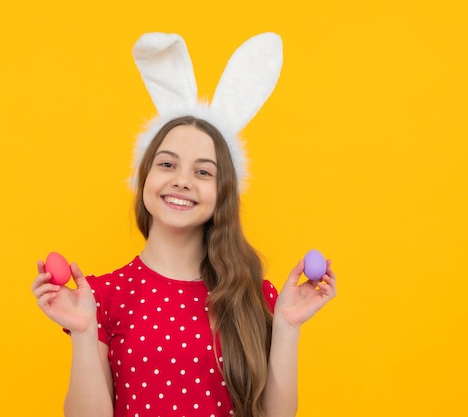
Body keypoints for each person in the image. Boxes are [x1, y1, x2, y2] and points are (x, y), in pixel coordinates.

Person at [31, 33, 337, 417]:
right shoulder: (101, 297)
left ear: (222, 192)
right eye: (167, 164)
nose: (182, 180)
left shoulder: (253, 295)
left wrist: (288, 327)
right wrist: (82, 332)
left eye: (203, 171)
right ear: (144, 177)